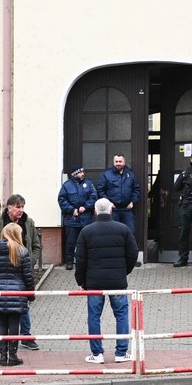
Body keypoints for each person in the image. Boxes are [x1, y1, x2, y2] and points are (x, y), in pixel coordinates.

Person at [73, 197, 135, 364]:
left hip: (94, 282)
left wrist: (81, 282)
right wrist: (124, 272)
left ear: (95, 211)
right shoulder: (123, 229)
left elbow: (80, 259)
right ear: (111, 210)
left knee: (94, 317)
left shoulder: (86, 231)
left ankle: (97, 354)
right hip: (117, 282)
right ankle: (121, 352)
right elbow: (133, 254)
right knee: (121, 315)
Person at [0, 195, 45, 351]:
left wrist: (30, 261)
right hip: (3, 271)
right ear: (9, 207)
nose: (21, 210)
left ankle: (25, 336)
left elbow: (36, 245)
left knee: (23, 305)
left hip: (22, 270)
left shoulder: (28, 222)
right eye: (18, 207)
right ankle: (2, 341)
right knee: (3, 307)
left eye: (23, 207)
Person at [0, 220, 35, 367]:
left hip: (0, 291)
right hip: (17, 292)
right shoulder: (22, 251)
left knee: (2, 322)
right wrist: (30, 294)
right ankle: (13, 356)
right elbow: (28, 276)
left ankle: (3, 356)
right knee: (14, 323)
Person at [95, 154, 144, 266]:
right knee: (112, 234)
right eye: (116, 161)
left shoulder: (130, 174)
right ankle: (112, 259)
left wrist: (133, 201)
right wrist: (109, 203)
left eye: (120, 161)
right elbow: (100, 190)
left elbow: (136, 189)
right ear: (113, 162)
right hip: (113, 210)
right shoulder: (106, 174)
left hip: (127, 210)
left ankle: (131, 259)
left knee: (130, 233)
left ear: (124, 162)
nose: (118, 163)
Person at [57, 165, 99, 266]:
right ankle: (69, 262)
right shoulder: (67, 185)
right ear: (74, 174)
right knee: (70, 242)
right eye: (80, 172)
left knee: (88, 242)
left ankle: (88, 262)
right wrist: (72, 210)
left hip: (86, 218)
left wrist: (86, 207)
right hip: (72, 219)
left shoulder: (88, 183)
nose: (82, 174)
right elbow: (62, 200)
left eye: (83, 172)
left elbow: (94, 197)